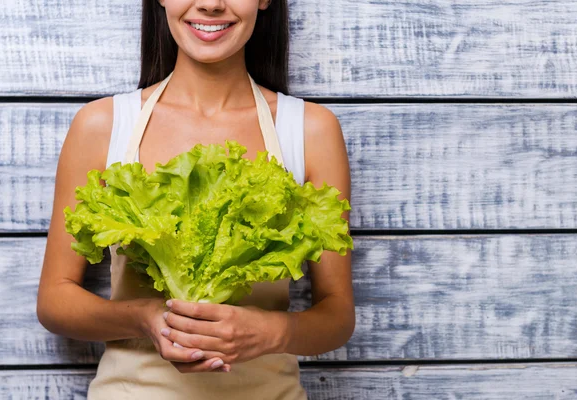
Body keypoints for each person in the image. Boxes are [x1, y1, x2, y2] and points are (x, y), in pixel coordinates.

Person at [37, 0, 354, 398]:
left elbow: (337, 315)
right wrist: (147, 319)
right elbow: (54, 299)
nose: (210, 3)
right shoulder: (103, 125)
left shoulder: (309, 130)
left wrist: (272, 331)